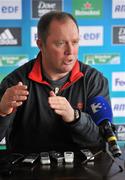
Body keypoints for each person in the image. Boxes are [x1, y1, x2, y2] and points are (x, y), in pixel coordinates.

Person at [0, 11, 110, 153]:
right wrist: (2, 112)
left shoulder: (94, 80)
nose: (70, 51)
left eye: (75, 42)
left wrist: (75, 117)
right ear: (41, 44)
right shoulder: (15, 82)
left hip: (82, 171)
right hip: (27, 171)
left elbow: (101, 141)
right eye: (60, 43)